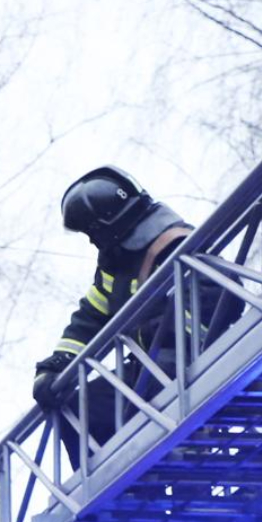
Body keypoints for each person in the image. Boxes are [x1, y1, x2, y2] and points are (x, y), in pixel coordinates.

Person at [32, 167, 194, 439]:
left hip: (184, 363)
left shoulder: (176, 246)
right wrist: (56, 367)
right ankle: (119, 480)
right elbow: (89, 320)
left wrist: (160, 333)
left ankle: (159, 463)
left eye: (91, 231)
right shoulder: (116, 268)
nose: (92, 241)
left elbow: (219, 305)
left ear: (108, 224)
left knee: (116, 408)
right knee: (76, 412)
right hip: (149, 369)